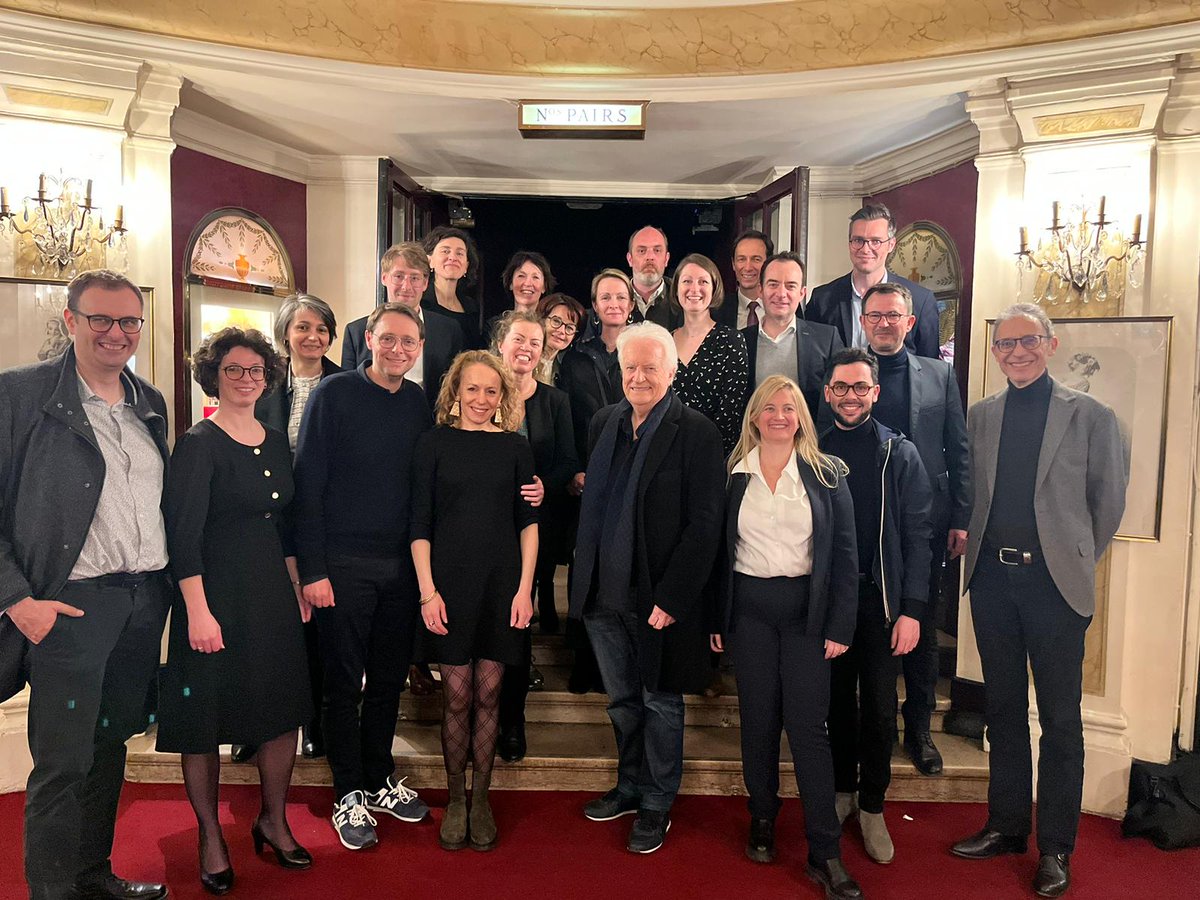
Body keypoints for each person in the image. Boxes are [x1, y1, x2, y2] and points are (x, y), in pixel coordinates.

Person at [0, 269, 171, 900]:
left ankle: (93, 876)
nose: (116, 333)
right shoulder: (20, 397)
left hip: (139, 605)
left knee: (108, 749)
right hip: (69, 610)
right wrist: (19, 602)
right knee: (63, 764)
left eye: (128, 321)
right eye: (100, 319)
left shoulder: (146, 403)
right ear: (71, 321)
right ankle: (52, 892)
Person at [951, 304, 1127, 899]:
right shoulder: (981, 416)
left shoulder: (1091, 417)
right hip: (993, 585)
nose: (1016, 352)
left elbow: (1107, 505)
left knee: (1059, 721)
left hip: (1054, 589)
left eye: (1027, 341)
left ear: (1051, 346)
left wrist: (1067, 557)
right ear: (994, 353)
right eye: (1005, 345)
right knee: (1001, 711)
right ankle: (1005, 826)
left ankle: (1055, 847)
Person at [158, 327, 314, 894]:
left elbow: (285, 526)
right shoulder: (198, 443)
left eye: (255, 371)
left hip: (271, 594)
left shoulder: (274, 440)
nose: (247, 379)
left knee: (281, 709)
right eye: (234, 370)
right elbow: (184, 536)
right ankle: (210, 836)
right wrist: (197, 612)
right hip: (213, 598)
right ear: (214, 376)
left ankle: (273, 818)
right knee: (204, 722)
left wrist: (296, 584)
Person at [571, 322, 725, 854]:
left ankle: (658, 800)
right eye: (629, 367)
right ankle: (630, 783)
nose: (638, 377)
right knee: (621, 702)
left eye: (649, 368)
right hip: (602, 595)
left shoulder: (697, 431)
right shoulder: (603, 422)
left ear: (672, 369)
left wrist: (673, 598)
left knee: (660, 703)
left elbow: (705, 525)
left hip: (656, 598)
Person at [712, 375, 863, 900]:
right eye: (769, 407)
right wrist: (717, 619)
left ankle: (825, 851)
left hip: (808, 615)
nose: (779, 415)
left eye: (789, 407)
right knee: (757, 722)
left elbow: (846, 556)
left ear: (802, 416)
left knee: (808, 729)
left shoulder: (826, 475)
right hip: (749, 613)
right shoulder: (733, 474)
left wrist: (840, 627)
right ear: (754, 416)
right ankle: (761, 820)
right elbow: (717, 555)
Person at [293, 303, 432, 852]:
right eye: (389, 339)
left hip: (399, 568)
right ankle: (347, 791)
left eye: (409, 342)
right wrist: (314, 570)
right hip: (342, 568)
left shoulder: (418, 402)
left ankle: (378, 776)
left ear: (419, 348)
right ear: (368, 339)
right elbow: (308, 486)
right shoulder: (334, 395)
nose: (399, 350)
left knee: (389, 682)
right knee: (343, 685)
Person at [410, 351, 539, 851]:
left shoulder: (515, 448)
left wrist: (526, 589)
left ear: (502, 396)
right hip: (447, 587)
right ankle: (455, 799)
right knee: (457, 696)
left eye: (491, 391)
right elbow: (418, 526)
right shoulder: (432, 444)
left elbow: (529, 525)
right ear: (455, 392)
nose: (481, 399)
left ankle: (480, 796)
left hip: (503, 587)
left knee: (490, 695)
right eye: (472, 389)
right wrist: (427, 592)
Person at [819, 348, 933, 865]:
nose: (850, 396)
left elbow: (917, 536)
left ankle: (872, 804)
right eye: (840, 387)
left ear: (875, 393)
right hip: (831, 603)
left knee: (882, 710)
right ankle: (843, 789)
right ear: (827, 393)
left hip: (884, 603)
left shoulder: (899, 453)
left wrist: (911, 608)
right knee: (836, 704)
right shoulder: (812, 451)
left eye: (859, 387)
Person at [858, 282, 969, 776]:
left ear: (910, 322)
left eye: (893, 315)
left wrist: (962, 517)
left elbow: (958, 448)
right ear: (863, 322)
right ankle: (866, 727)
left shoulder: (940, 376)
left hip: (924, 521)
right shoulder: (846, 373)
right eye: (875, 315)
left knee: (920, 629)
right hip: (862, 519)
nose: (884, 323)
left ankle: (919, 729)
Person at [248, 292, 341, 763]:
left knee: (317, 630)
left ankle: (313, 721)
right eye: (303, 327)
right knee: (267, 625)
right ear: (285, 333)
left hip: (325, 519)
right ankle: (256, 722)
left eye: (322, 328)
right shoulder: (261, 386)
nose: (313, 336)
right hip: (266, 521)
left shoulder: (346, 384)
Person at [557, 270, 635, 694]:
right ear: (595, 304)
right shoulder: (576, 356)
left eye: (620, 296)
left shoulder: (644, 347)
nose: (614, 303)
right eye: (605, 296)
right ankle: (584, 663)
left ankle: (621, 664)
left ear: (631, 303)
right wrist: (574, 470)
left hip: (634, 471)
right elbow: (567, 417)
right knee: (584, 568)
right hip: (588, 473)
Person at [806, 204, 940, 358]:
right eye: (858, 240)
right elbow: (812, 362)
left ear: (891, 245)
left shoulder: (921, 301)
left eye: (875, 241)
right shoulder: (822, 299)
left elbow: (930, 369)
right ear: (849, 243)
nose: (865, 249)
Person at [340, 241, 464, 408]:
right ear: (384, 278)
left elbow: (455, 387)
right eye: (399, 276)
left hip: (430, 424)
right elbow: (348, 391)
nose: (406, 286)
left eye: (414, 278)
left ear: (425, 283)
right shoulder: (356, 332)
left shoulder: (449, 329)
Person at [742, 252, 844, 420]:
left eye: (790, 286)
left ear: (802, 293)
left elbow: (838, 396)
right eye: (773, 284)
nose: (781, 294)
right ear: (760, 290)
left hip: (809, 443)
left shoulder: (827, 339)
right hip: (755, 443)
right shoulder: (741, 341)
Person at [670, 252, 748, 456]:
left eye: (703, 281)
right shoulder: (664, 342)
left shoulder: (731, 340)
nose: (694, 289)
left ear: (714, 289)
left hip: (715, 455)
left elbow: (730, 411)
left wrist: (700, 453)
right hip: (668, 454)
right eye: (687, 281)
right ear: (676, 288)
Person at [422, 226, 484, 349]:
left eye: (459, 253)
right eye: (445, 251)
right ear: (430, 261)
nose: (452, 257)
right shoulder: (420, 302)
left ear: (466, 266)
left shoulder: (472, 307)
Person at [715, 229, 773, 330]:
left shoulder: (784, 304)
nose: (748, 268)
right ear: (733, 264)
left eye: (756, 259)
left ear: (769, 263)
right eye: (741, 259)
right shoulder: (717, 310)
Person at [535, 292, 586, 387]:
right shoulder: (523, 362)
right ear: (541, 320)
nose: (562, 331)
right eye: (556, 321)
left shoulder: (566, 374)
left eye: (570, 328)